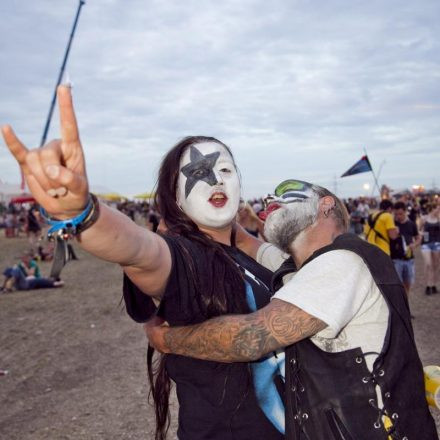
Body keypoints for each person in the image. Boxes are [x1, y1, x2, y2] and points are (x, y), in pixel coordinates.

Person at [1, 85, 284, 440]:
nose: (216, 179)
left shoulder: (256, 253)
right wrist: (83, 213)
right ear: (175, 198)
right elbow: (137, 250)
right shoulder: (186, 258)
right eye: (198, 173)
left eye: (225, 169)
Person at [146, 179, 438, 440]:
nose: (271, 197)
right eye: (267, 199)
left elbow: (251, 337)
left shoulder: (343, 261)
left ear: (325, 205)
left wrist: (166, 339)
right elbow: (249, 243)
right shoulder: (301, 267)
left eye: (285, 190)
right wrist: (209, 212)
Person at [390, 201, 421, 297]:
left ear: (405, 212)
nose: (398, 216)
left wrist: (414, 245)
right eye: (396, 214)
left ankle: (406, 307)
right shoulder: (392, 224)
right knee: (398, 286)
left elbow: (418, 237)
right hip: (396, 259)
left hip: (409, 259)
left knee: (407, 285)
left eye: (400, 214)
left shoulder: (411, 224)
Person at [419, 202, 440, 295]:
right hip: (426, 244)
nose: (439, 210)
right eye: (438, 209)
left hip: (437, 243)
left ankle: (433, 285)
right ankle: (428, 285)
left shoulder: (439, 218)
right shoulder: (424, 218)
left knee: (435, 265)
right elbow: (418, 230)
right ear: (433, 208)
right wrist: (421, 233)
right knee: (428, 264)